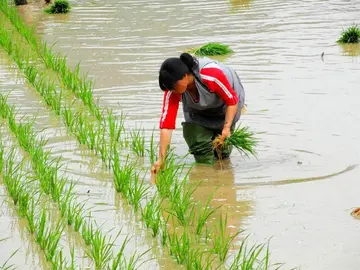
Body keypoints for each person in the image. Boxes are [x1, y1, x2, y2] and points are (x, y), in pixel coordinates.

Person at [151, 53, 245, 174]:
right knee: (200, 149)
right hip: (197, 112)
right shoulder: (173, 91)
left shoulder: (211, 75)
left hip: (227, 105)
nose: (172, 91)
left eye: (174, 87)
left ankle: (223, 181)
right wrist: (161, 160)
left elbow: (231, 101)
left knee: (223, 151)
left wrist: (226, 128)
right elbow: (166, 126)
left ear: (185, 76)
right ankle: (205, 177)